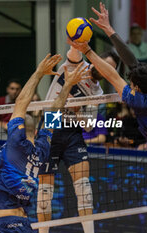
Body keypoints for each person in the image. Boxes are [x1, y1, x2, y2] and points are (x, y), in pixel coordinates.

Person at [69, 3, 147, 233]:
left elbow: (112, 74)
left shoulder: (141, 102)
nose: (128, 84)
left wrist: (87, 50)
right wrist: (109, 30)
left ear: (136, 87)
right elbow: (132, 61)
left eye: (131, 83)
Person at [0, 53, 89, 233]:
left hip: (2, 224)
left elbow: (21, 102)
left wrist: (39, 73)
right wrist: (68, 85)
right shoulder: (42, 149)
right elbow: (54, 112)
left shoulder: (16, 143)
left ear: (21, 128)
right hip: (23, 224)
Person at [37, 45, 119, 233]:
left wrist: (78, 111)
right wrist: (78, 40)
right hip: (52, 122)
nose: (106, 70)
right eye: (105, 65)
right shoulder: (76, 65)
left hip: (73, 132)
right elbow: (74, 50)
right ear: (96, 61)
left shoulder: (97, 93)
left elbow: (89, 126)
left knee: (84, 190)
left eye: (111, 69)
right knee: (44, 195)